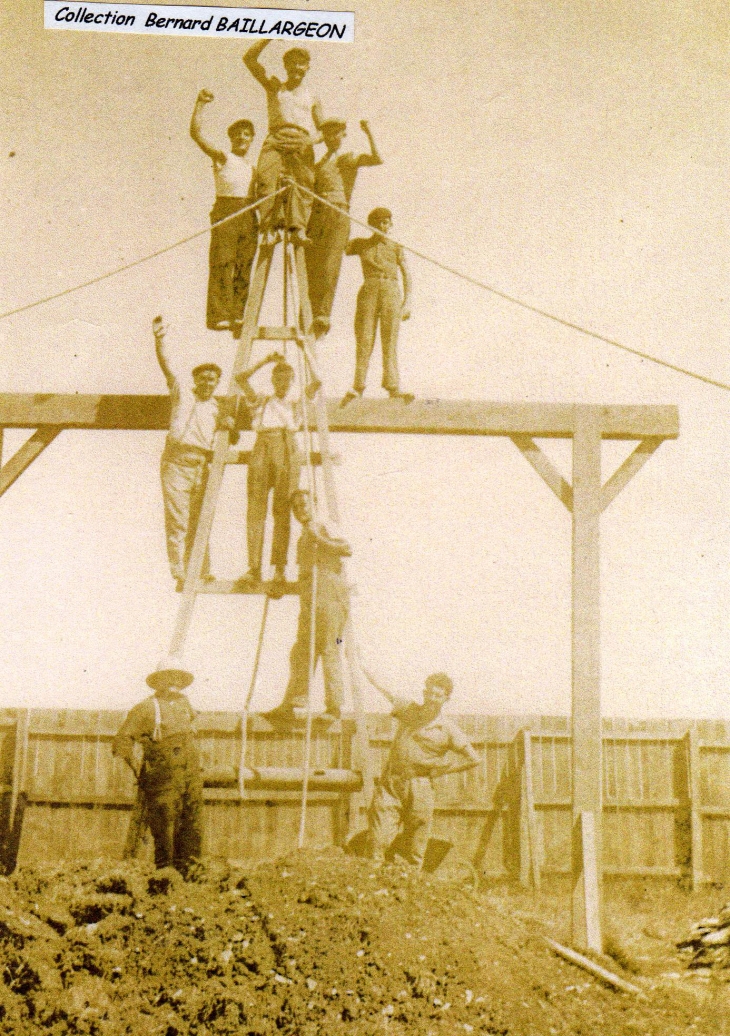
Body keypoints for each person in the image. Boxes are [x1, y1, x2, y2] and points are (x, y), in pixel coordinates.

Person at [360, 666, 479, 869]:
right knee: (378, 839)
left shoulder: (447, 728)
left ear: (446, 699)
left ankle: (410, 885)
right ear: (424, 693)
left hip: (421, 786)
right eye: (430, 693)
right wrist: (362, 664)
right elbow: (382, 687)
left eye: (438, 695)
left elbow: (474, 758)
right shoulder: (409, 711)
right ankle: (374, 882)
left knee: (416, 842)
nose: (432, 698)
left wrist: (443, 770)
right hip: (391, 783)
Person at [154, 316, 235, 589]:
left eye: (213, 380)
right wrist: (160, 338)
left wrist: (229, 427)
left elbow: (230, 437)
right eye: (204, 379)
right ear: (195, 380)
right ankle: (179, 569)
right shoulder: (182, 394)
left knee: (202, 518)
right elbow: (166, 365)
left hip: (202, 463)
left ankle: (201, 568)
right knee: (179, 519)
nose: (208, 383)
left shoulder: (216, 408)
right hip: (177, 462)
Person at [265, 489, 352, 724]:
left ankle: (334, 708)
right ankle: (293, 703)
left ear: (314, 503)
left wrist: (319, 538)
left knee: (329, 647)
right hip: (310, 597)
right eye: (296, 508)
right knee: (302, 650)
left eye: (304, 505)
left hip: (330, 595)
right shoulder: (304, 534)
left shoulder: (324, 525)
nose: (300, 510)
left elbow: (346, 548)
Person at [235, 352, 318, 592]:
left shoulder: (296, 403)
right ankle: (253, 567)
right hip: (263, 444)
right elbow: (241, 378)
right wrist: (265, 360)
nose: (283, 384)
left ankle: (279, 568)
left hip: (288, 446)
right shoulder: (261, 400)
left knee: (282, 510)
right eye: (278, 379)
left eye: (287, 380)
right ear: (273, 381)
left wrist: (305, 351)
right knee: (255, 508)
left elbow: (318, 382)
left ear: (292, 381)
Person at [112, 660, 204, 876]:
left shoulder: (186, 706)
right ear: (158, 682)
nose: (174, 682)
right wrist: (140, 771)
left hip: (190, 774)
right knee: (165, 825)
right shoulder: (146, 708)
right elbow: (123, 741)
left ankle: (190, 872)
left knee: (193, 822)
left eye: (178, 677)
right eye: (168, 677)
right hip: (163, 777)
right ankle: (165, 874)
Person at [306, 118, 382, 337]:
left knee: (330, 262)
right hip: (317, 214)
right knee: (312, 262)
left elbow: (377, 158)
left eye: (337, 133)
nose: (333, 138)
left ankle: (323, 313)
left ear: (343, 135)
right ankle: (310, 311)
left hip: (338, 211)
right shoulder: (318, 164)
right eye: (328, 135)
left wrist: (369, 132)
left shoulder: (348, 158)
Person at [190, 90, 259, 334]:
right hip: (227, 209)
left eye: (247, 134)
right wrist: (200, 104)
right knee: (222, 262)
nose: (242, 137)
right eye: (238, 134)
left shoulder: (253, 168)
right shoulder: (223, 157)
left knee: (244, 265)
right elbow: (196, 135)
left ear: (251, 139)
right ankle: (219, 315)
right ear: (231, 138)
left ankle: (238, 315)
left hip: (249, 214)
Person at [243, 41, 323, 241]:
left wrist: (311, 141)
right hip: (277, 136)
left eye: (301, 64)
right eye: (292, 63)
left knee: (304, 183)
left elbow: (323, 131)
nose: (296, 67)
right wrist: (269, 36)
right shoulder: (275, 87)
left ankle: (298, 229)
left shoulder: (313, 96)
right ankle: (268, 227)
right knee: (265, 177)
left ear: (307, 67)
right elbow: (249, 59)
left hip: (302, 139)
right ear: (285, 66)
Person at [341, 208, 413, 404]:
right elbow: (340, 243)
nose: (383, 226)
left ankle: (393, 386)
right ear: (371, 224)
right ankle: (358, 385)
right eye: (379, 222)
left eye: (386, 222)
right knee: (364, 337)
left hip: (391, 289)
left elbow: (406, 273)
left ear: (390, 225)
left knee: (390, 339)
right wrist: (341, 216)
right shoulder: (361, 244)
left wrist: (407, 301)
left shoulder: (396, 246)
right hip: (369, 289)